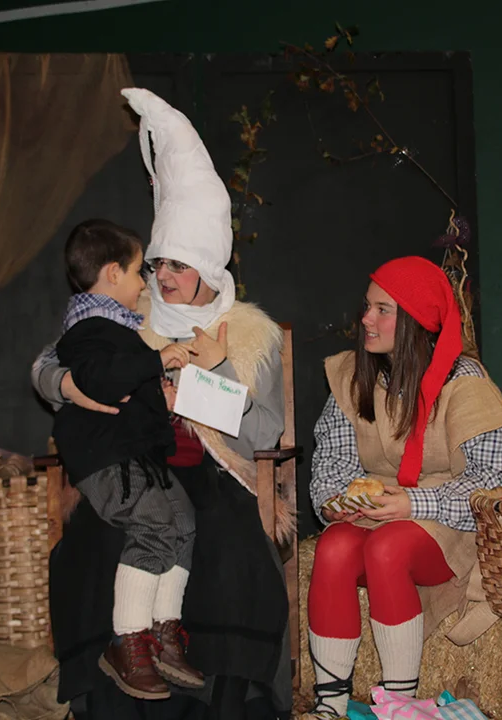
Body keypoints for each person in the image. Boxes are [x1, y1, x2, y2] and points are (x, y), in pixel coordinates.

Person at [35, 88, 292, 720]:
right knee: (93, 544)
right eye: (155, 264)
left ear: (209, 269)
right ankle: (116, 695)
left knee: (227, 546)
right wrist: (67, 386)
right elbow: (46, 365)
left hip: (216, 472)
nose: (164, 277)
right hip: (133, 467)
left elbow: (268, 431)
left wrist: (210, 381)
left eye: (179, 264)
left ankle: (221, 704)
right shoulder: (124, 314)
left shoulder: (250, 334)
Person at [302, 256, 502, 720]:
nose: (366, 319)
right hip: (381, 510)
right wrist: (335, 502)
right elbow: (332, 462)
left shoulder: (463, 382)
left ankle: (399, 706)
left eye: (382, 310)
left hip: (451, 517)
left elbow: (501, 480)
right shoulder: (354, 378)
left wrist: (414, 502)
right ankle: (329, 706)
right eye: (367, 306)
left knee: (388, 548)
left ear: (414, 322)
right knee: (333, 546)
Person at [50, 218, 202, 700]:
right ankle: (127, 640)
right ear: (113, 273)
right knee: (154, 523)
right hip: (106, 456)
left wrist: (160, 395)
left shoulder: (115, 329)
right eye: (139, 272)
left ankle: (162, 629)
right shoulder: (88, 330)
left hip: (135, 455)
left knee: (182, 521)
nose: (144, 283)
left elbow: (127, 386)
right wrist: (157, 360)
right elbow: (100, 380)